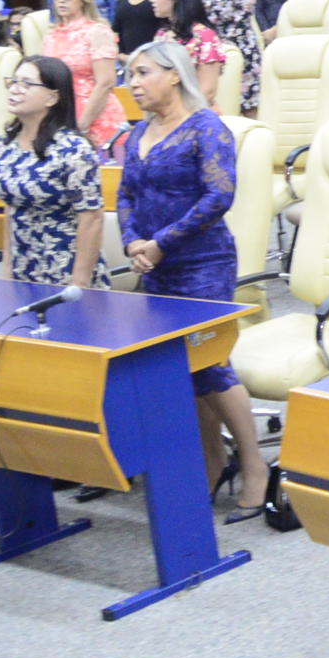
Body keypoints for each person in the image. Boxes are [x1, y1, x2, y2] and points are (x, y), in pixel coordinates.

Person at [118, 38, 270, 516]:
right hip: (156, 267)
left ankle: (255, 466)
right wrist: (132, 242)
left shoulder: (207, 128)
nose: (134, 83)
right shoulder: (137, 134)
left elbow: (218, 197)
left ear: (174, 74)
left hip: (203, 264)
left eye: (143, 73)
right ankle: (211, 461)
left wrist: (161, 242)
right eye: (130, 74)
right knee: (180, 368)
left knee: (211, 364)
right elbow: (125, 195)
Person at [0, 54, 104, 290]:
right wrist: (7, 270)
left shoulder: (73, 149)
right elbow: (11, 208)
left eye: (26, 84)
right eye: (13, 81)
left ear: (52, 97)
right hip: (22, 266)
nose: (15, 89)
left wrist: (79, 283)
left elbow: (91, 218)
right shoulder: (7, 146)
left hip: (63, 267)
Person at [43, 0, 124, 149]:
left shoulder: (97, 31)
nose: (61, 0)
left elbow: (106, 82)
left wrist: (83, 124)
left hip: (95, 114)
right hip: (61, 115)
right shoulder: (51, 34)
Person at [193, 0, 262, 114]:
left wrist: (223, 41)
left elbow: (242, 17)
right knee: (219, 102)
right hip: (211, 49)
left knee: (248, 105)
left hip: (241, 46)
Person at [145, 0, 228, 108]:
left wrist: (177, 115)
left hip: (195, 112)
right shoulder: (161, 34)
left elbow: (207, 92)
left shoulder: (205, 36)